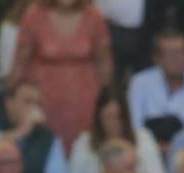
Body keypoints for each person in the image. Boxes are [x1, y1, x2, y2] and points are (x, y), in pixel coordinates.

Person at [8, 0, 113, 152]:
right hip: (44, 99)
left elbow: (104, 64)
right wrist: (12, 99)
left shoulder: (94, 17)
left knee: (83, 145)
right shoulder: (34, 15)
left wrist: (106, 99)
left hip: (85, 101)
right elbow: (20, 63)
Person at [128, 30, 184, 141]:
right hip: (147, 147)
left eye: (180, 53)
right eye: (170, 54)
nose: (176, 59)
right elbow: (136, 127)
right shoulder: (140, 83)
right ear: (156, 58)